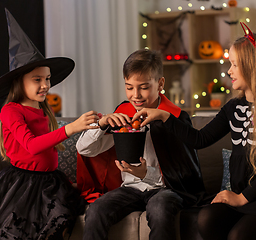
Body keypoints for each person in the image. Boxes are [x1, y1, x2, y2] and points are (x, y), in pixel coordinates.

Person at [132, 23, 256, 240]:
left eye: (235, 65)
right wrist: (165, 117)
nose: (229, 71)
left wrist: (242, 199)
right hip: (242, 192)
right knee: (207, 218)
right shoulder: (232, 108)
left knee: (239, 234)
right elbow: (200, 139)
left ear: (254, 67)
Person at [0, 9, 98, 239]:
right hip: (23, 184)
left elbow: (49, 153)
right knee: (20, 228)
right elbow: (33, 146)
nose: (45, 85)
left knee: (65, 216)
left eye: (47, 79)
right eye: (37, 79)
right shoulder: (11, 111)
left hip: (50, 180)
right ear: (19, 82)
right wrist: (72, 127)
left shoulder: (43, 108)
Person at [76, 49, 207, 240]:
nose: (135, 95)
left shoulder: (175, 119)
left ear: (160, 83)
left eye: (143, 87)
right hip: (130, 189)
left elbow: (182, 174)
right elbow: (85, 149)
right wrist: (102, 124)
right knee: (96, 210)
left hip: (166, 190)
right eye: (129, 87)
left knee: (159, 209)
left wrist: (146, 174)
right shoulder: (124, 113)